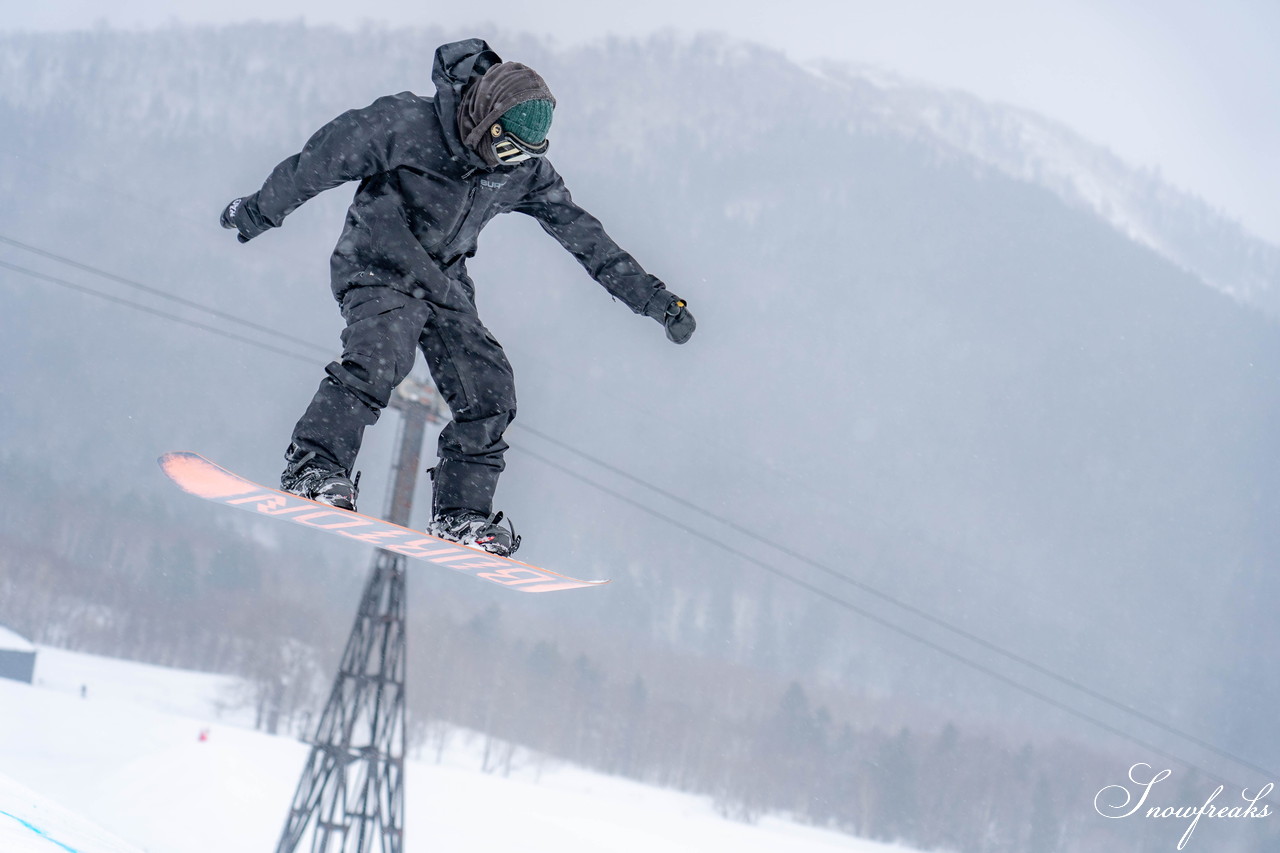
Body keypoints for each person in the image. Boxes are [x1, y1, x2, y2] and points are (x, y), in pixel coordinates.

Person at [219, 38, 695, 557]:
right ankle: (314, 466)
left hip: (444, 283)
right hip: (377, 263)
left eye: (524, 157)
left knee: (490, 390)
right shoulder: (404, 124)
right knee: (380, 357)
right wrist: (256, 212)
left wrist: (655, 300)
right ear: (486, 123)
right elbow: (319, 160)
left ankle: (460, 515)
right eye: (507, 148)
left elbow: (585, 237)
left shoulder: (519, 172)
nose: (509, 164)